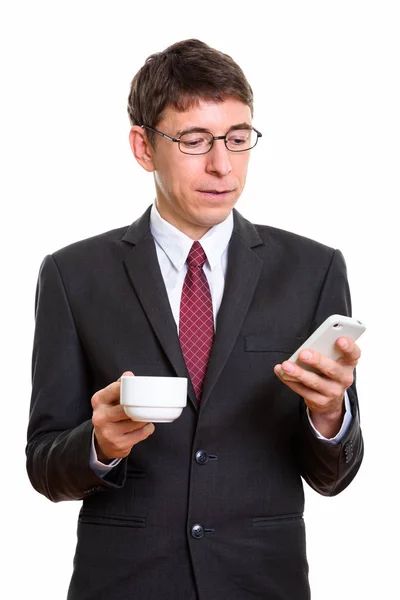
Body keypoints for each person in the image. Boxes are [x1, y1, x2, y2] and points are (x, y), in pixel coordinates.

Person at [26, 39, 363, 600]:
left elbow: (335, 476)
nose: (222, 164)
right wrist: (100, 445)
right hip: (125, 584)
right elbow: (44, 465)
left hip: (262, 583)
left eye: (237, 138)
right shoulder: (72, 274)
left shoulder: (314, 269)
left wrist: (330, 414)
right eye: (194, 140)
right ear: (143, 147)